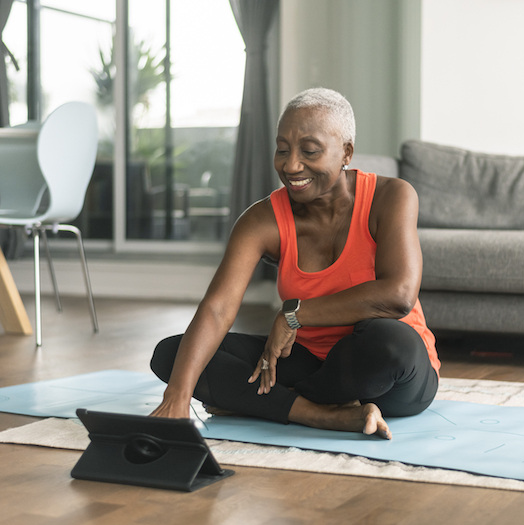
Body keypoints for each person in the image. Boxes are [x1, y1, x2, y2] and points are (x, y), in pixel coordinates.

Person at [150, 87, 440, 439]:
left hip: (387, 374)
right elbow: (217, 308)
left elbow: (399, 295)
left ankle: (267, 403)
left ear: (346, 151)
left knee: (390, 341)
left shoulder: (391, 196)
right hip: (307, 362)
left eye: (309, 151)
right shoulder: (262, 220)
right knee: (174, 356)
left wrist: (295, 314)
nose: (290, 166)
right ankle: (321, 415)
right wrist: (176, 398)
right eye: (282, 150)